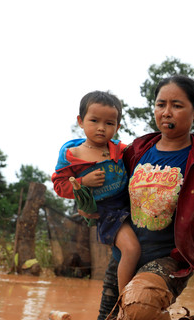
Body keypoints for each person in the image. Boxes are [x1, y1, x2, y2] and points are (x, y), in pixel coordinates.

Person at [94, 75, 194, 320]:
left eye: (177, 105)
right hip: (124, 258)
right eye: (161, 105)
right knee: (110, 318)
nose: (167, 112)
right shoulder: (136, 150)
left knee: (138, 306)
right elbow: (110, 188)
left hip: (170, 261)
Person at [52, 91, 140, 295]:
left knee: (140, 249)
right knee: (131, 249)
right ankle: (125, 300)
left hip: (131, 206)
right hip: (106, 212)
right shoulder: (73, 155)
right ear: (80, 121)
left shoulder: (121, 150)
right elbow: (59, 186)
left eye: (109, 123)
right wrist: (83, 181)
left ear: (117, 127)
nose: (101, 128)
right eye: (94, 120)